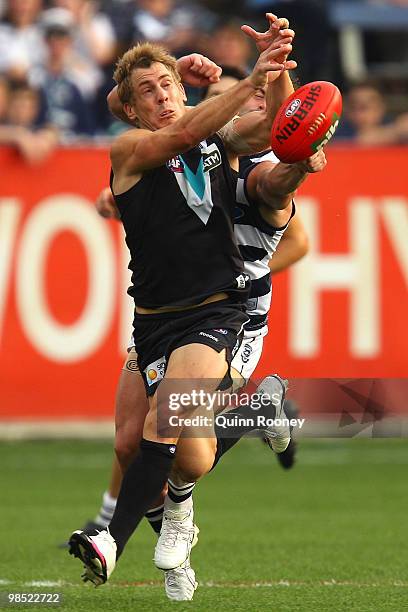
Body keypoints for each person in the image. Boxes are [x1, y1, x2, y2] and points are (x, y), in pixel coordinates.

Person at [68, 15, 298, 596]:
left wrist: (272, 68)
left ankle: (110, 541)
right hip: (153, 324)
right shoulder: (129, 150)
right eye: (147, 91)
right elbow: (176, 138)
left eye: (168, 84)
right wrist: (248, 84)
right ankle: (253, 420)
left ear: (184, 89)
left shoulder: (220, 141)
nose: (162, 95)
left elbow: (279, 126)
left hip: (215, 314)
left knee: (162, 424)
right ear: (131, 108)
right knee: (156, 451)